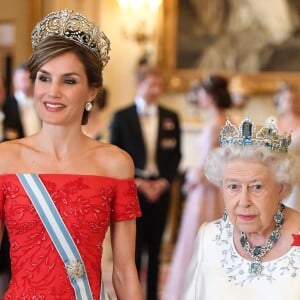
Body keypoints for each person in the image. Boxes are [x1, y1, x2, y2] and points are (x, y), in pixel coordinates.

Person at [0, 9, 143, 300]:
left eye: (69, 81)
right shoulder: (5, 160)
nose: (53, 91)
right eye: (44, 78)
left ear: (92, 91)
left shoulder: (114, 165)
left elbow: (125, 272)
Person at [182, 117, 300, 300]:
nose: (244, 201)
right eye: (233, 187)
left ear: (281, 188)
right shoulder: (209, 237)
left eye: (257, 187)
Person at [110, 65, 181, 300]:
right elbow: (115, 153)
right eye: (152, 85)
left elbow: (176, 155)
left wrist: (163, 181)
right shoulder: (122, 117)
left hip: (160, 190)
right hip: (133, 188)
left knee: (156, 247)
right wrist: (137, 182)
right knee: (134, 248)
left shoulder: (171, 117)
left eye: (159, 85)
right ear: (139, 85)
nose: (156, 90)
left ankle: (152, 295)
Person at [162, 74, 232, 300]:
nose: (198, 96)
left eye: (201, 92)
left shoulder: (216, 123)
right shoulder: (226, 120)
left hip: (205, 190)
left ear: (209, 96)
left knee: (197, 236)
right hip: (214, 188)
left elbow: (210, 160)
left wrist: (192, 178)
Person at [270, 82, 300, 211]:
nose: (290, 103)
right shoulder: (272, 121)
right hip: (275, 170)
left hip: (297, 173)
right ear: (280, 100)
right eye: (287, 99)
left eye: (294, 100)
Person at [3, 62, 41, 140]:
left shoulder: (42, 102)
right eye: (22, 80)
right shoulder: (6, 104)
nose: (26, 84)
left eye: (29, 79)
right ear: (14, 80)